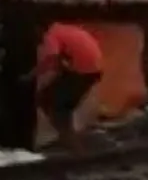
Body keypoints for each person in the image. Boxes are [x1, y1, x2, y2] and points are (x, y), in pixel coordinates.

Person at [29, 21, 103, 152]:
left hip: (83, 71)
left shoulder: (51, 35)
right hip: (91, 69)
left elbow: (52, 60)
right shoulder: (63, 29)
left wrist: (33, 76)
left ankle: (71, 144)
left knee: (54, 104)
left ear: (40, 29)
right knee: (54, 101)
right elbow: (56, 63)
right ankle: (66, 136)